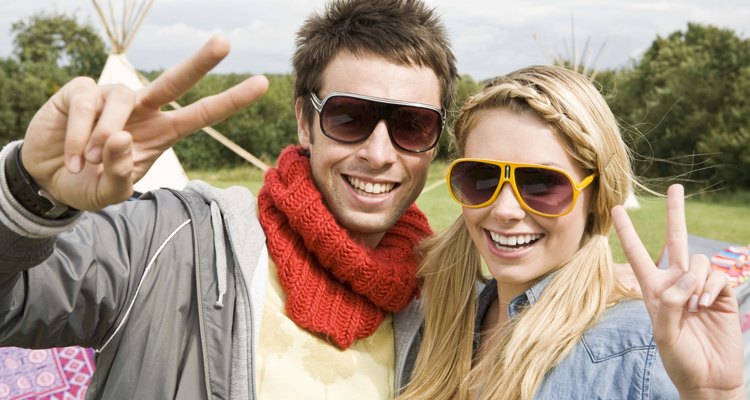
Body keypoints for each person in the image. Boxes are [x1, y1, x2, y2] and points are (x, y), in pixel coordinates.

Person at [0, 0, 457, 398]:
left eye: (411, 125)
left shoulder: (444, 305)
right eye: (349, 118)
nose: (378, 154)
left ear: (435, 139)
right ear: (304, 121)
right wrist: (28, 192)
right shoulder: (173, 244)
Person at [398, 65, 745, 399]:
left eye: (542, 184)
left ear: (596, 196)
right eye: (481, 177)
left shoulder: (644, 345)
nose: (504, 210)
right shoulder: (436, 317)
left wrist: (711, 395)